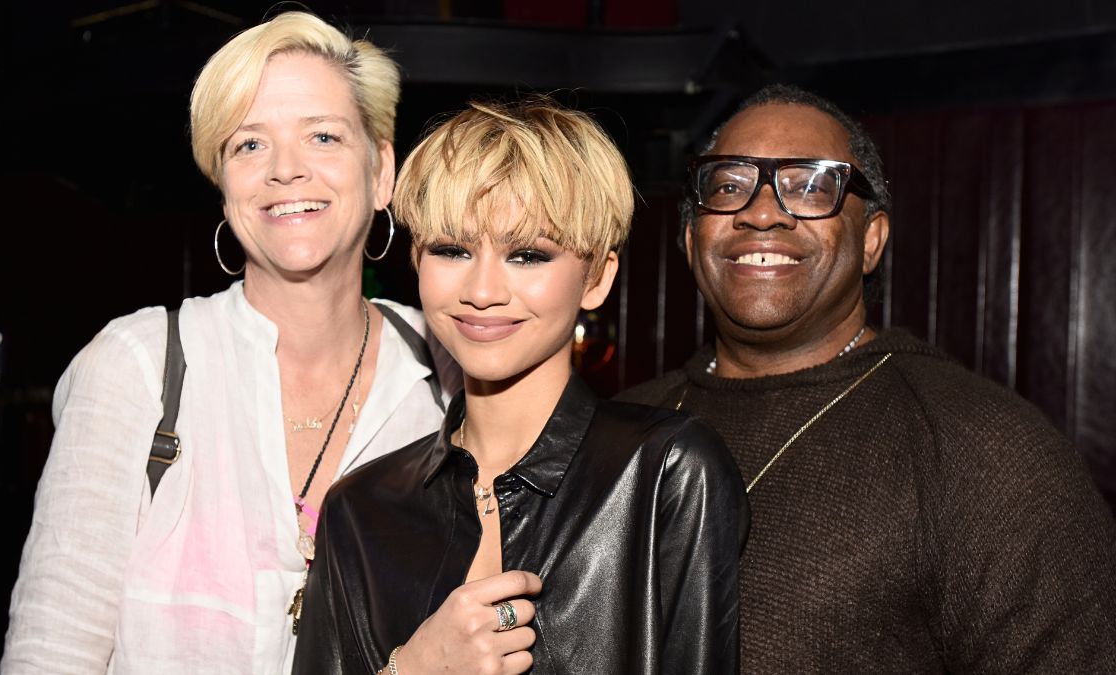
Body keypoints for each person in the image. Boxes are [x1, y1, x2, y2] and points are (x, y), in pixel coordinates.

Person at [1, 12, 458, 673]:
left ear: (381, 170)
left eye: (323, 136)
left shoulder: (447, 373)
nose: (285, 171)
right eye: (249, 145)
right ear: (224, 187)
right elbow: (51, 655)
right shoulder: (137, 367)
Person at [618, 83, 1116, 672]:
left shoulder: (988, 454)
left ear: (871, 240)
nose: (761, 212)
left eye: (810, 186)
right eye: (728, 186)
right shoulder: (614, 431)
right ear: (689, 237)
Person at [292, 97, 747, 675]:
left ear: (597, 278)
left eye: (527, 254)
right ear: (417, 261)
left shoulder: (665, 473)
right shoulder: (360, 509)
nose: (482, 290)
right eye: (452, 250)